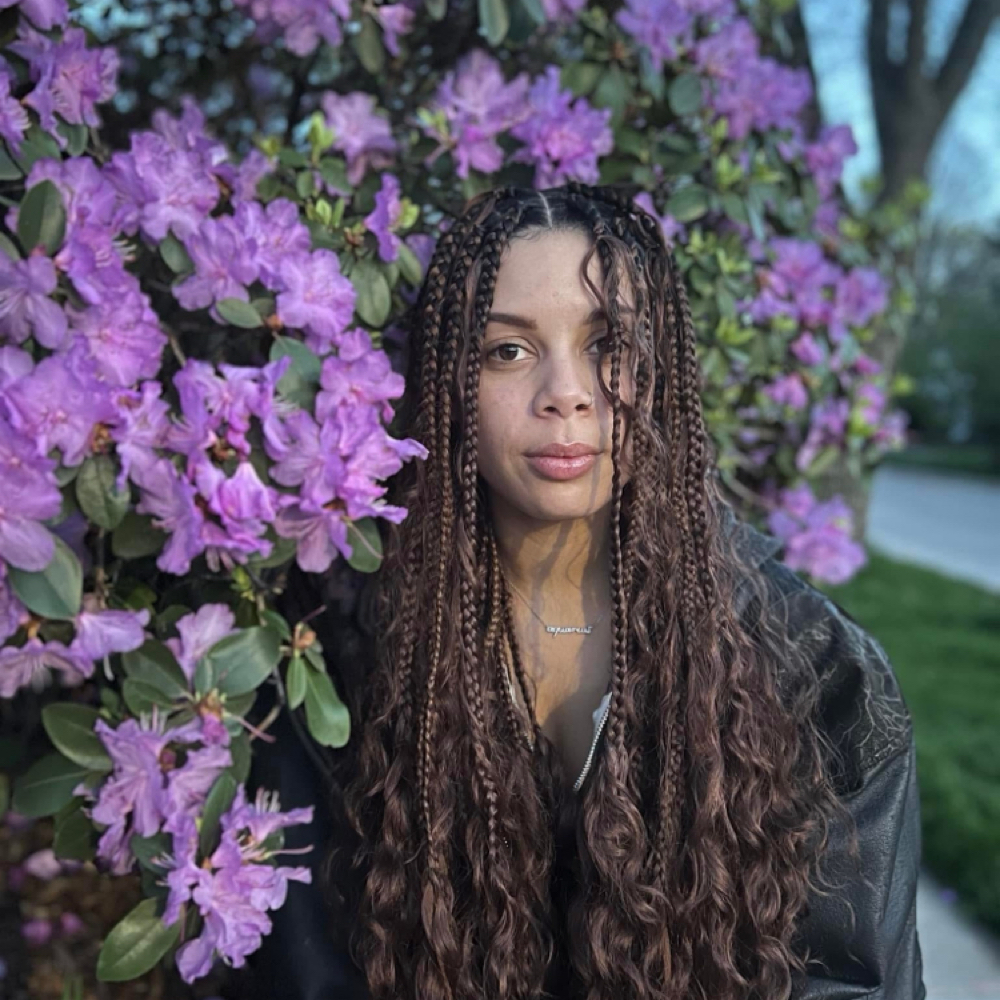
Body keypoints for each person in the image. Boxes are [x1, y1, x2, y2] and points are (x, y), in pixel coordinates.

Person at [245, 182, 925, 1000]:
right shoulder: (343, 658)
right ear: (446, 384)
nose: (566, 393)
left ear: (659, 369)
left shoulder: (815, 670)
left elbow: (855, 981)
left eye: (609, 345)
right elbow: (301, 976)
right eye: (508, 351)